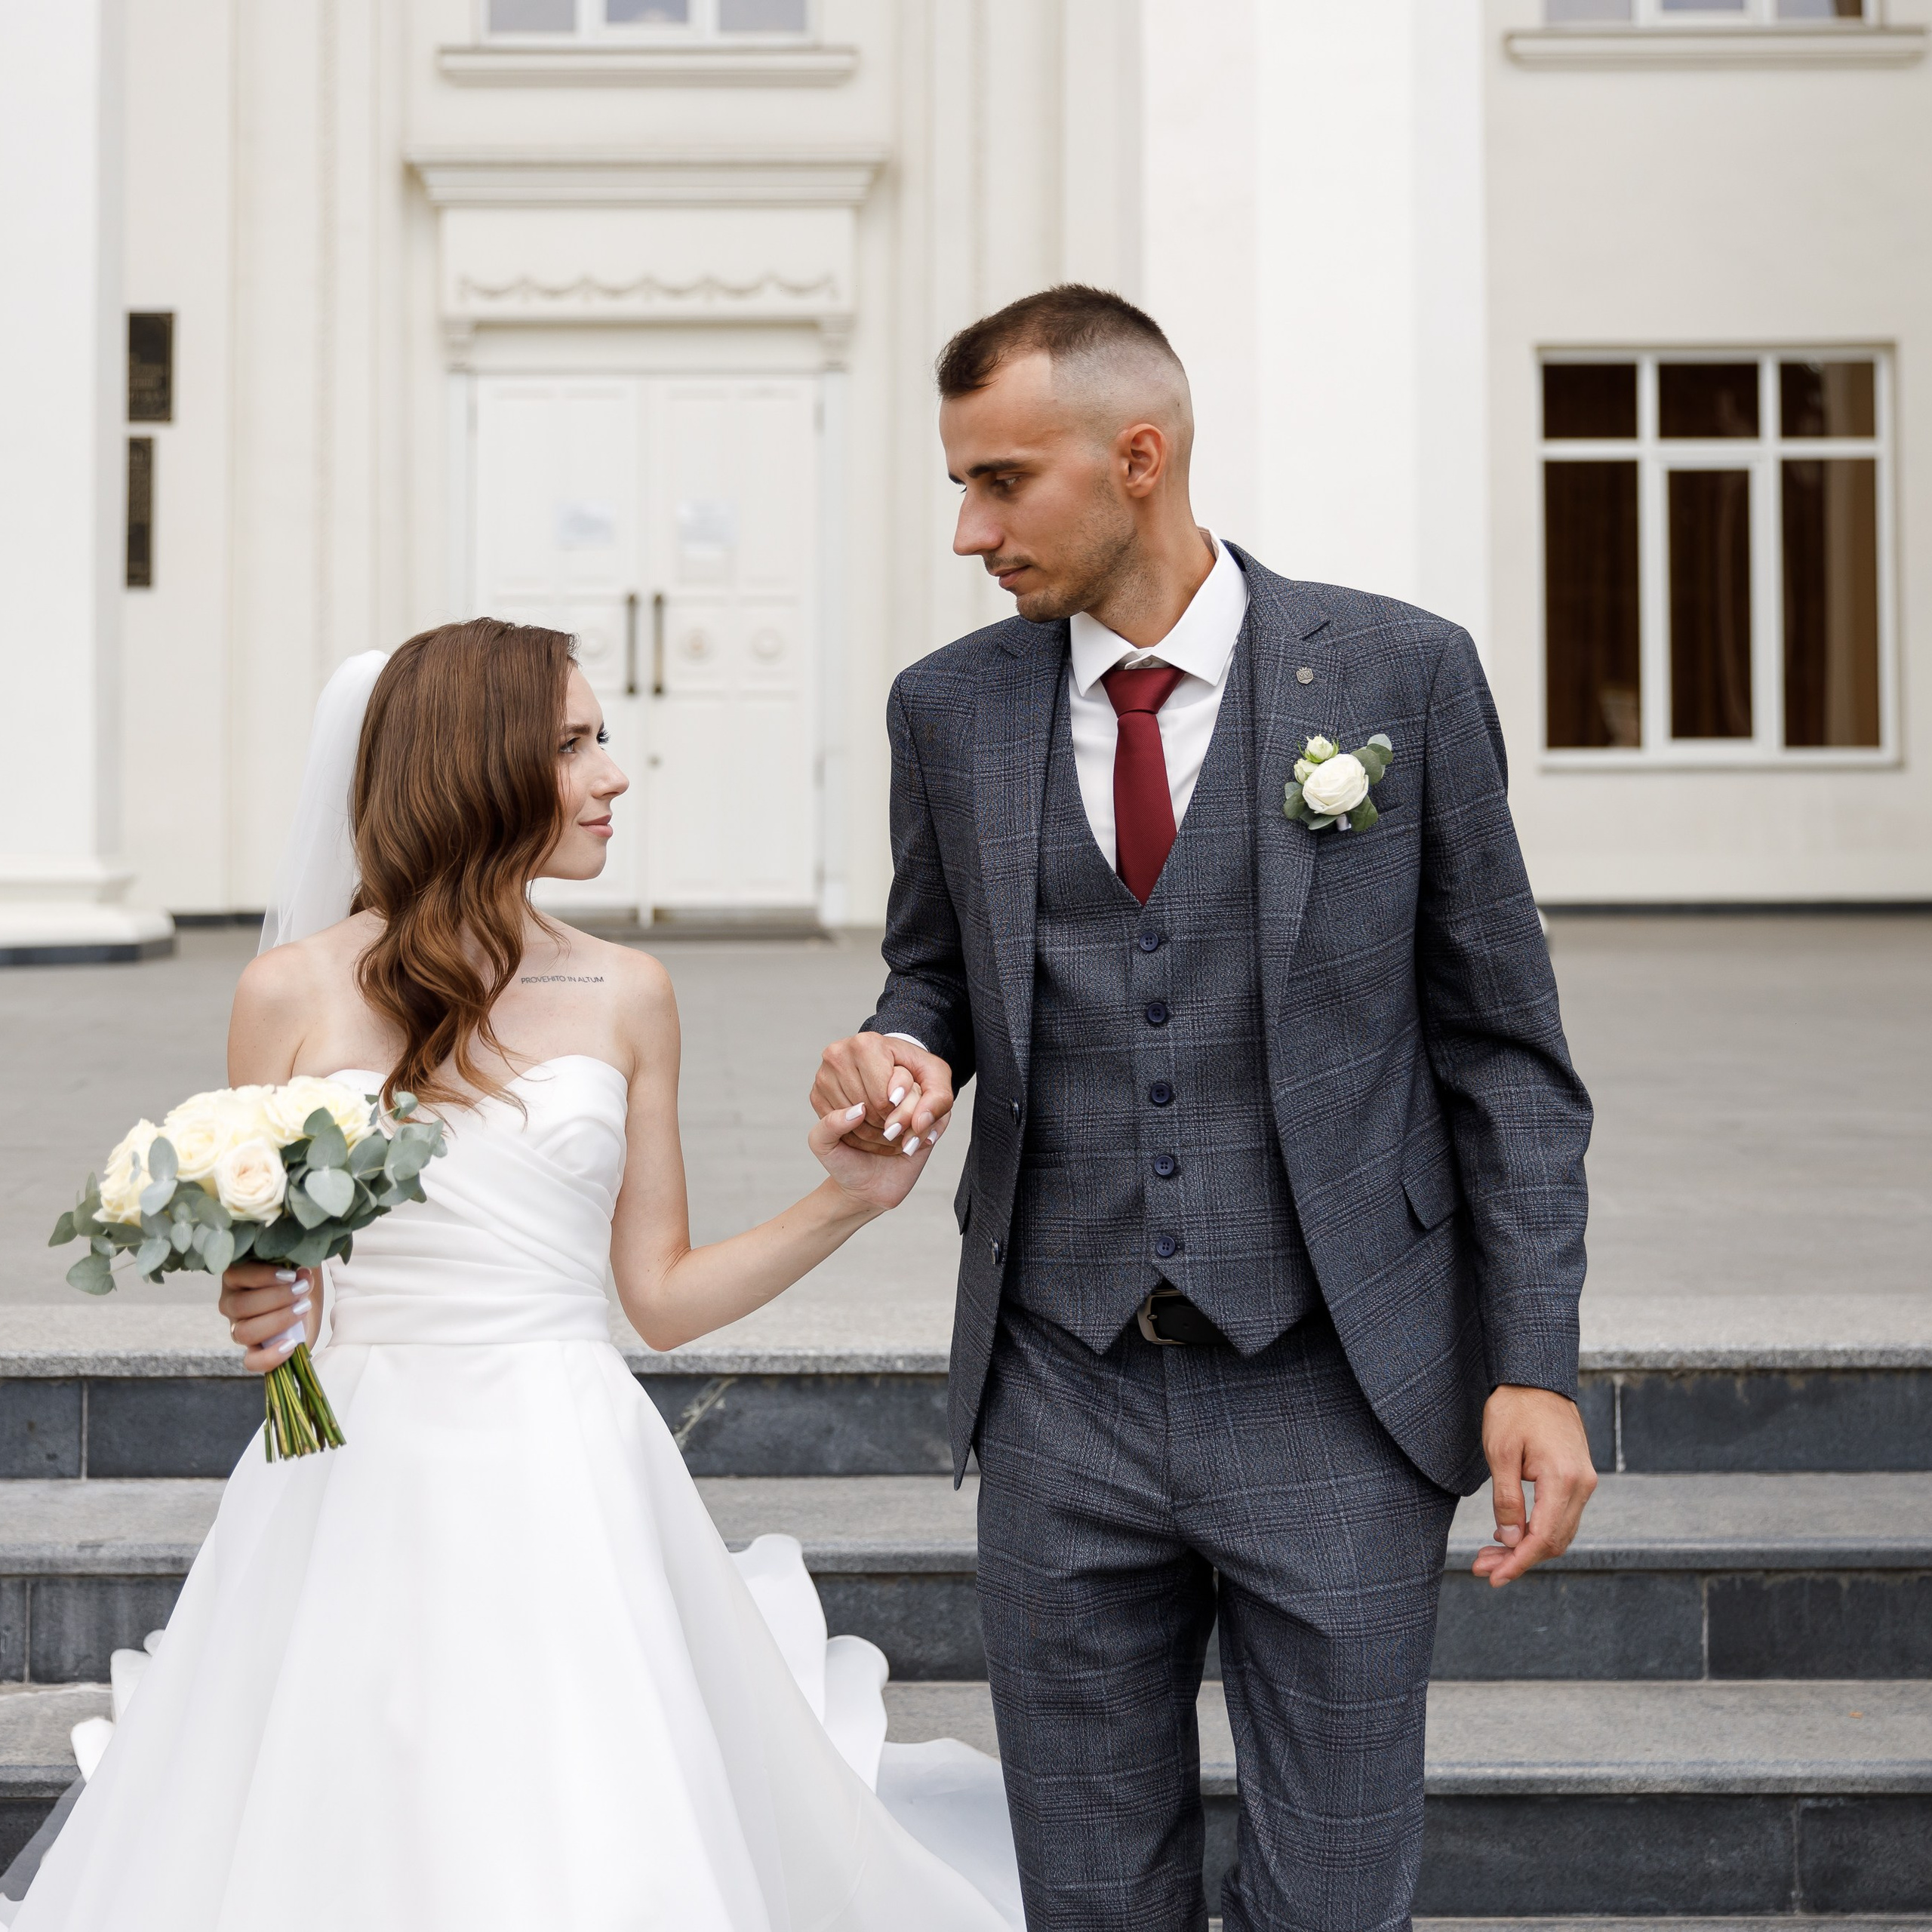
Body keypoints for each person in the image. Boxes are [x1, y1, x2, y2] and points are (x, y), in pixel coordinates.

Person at [9, 621, 1017, 1930]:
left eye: (601, 737)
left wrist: (851, 1199)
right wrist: (262, 1307)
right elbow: (265, 1258)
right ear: (472, 768)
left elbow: (656, 1298)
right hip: (349, 1471)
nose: (614, 773)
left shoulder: (628, 991)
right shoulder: (286, 991)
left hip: (564, 1460)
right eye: (572, 744)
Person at [812, 285, 1598, 1930]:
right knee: (1091, 1896)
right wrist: (897, 1047)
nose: (968, 529)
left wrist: (1530, 1359)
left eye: (1001, 479)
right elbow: (932, 970)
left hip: (1336, 1378)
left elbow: (1503, 1052)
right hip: (1059, 1383)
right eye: (957, 484)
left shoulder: (1397, 673)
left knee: (1329, 1900)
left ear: (1139, 457)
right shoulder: (945, 709)